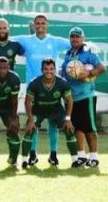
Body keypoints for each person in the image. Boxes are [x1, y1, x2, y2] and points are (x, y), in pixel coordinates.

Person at [14, 14, 71, 166]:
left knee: (53, 124)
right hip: (34, 88)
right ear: (33, 25)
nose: (40, 25)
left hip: (52, 87)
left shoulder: (55, 41)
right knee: (33, 122)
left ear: (47, 25)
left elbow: (74, 43)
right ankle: (33, 154)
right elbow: (5, 38)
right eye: (37, 23)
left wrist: (87, 45)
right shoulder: (26, 40)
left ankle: (53, 155)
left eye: (43, 23)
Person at [60, 27, 106, 168]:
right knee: (77, 128)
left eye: (78, 36)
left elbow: (102, 67)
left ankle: (94, 157)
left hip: (86, 96)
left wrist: (89, 73)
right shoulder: (68, 54)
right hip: (71, 98)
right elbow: (63, 72)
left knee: (89, 128)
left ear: (83, 38)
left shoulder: (88, 52)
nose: (75, 39)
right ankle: (81, 157)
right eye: (72, 36)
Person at [20, 58, 78, 168]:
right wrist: (31, 120)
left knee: (68, 129)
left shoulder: (62, 83)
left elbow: (69, 100)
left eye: (51, 69)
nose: (49, 71)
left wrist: (68, 119)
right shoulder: (34, 83)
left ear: (55, 70)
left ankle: (67, 158)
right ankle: (28, 158)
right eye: (46, 69)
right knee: (30, 128)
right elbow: (28, 101)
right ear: (41, 70)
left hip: (56, 110)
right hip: (38, 110)